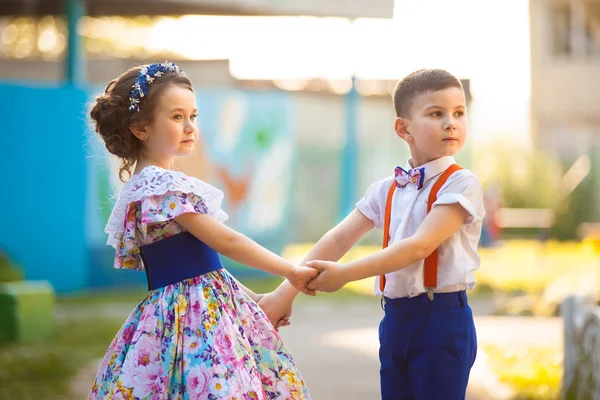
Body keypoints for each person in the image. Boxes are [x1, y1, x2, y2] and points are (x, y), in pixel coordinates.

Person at [87, 61, 315, 399]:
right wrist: (291, 270)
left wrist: (254, 299)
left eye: (193, 116)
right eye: (177, 117)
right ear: (140, 128)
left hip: (182, 308)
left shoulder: (143, 187)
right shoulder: (162, 185)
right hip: (193, 316)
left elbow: (200, 264)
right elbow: (225, 241)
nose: (190, 126)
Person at [262, 69, 485, 399]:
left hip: (441, 320)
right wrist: (284, 294)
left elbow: (418, 246)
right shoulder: (386, 189)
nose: (451, 123)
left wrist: (346, 275)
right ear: (403, 128)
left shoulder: (461, 183)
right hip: (394, 321)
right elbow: (338, 240)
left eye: (458, 113)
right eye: (436, 113)